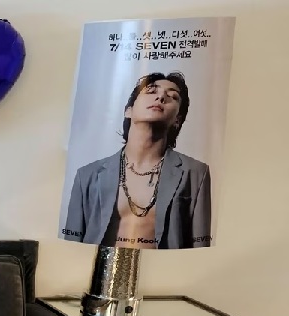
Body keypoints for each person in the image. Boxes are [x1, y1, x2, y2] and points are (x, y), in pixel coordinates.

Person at [62, 72, 212, 249]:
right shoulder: (87, 175)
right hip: (101, 265)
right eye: (151, 91)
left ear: (177, 120)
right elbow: (71, 247)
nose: (161, 97)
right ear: (129, 110)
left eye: (172, 96)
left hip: (164, 267)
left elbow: (201, 250)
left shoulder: (195, 172)